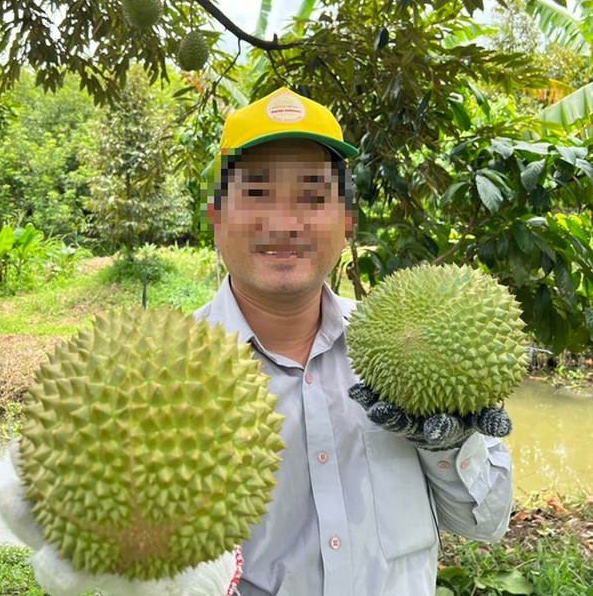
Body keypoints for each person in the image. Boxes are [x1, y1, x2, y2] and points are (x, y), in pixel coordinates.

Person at [198, 86, 514, 596]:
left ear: (346, 222)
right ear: (215, 218)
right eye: (256, 193)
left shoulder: (405, 344)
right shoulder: (164, 372)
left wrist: (450, 441)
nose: (284, 222)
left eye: (312, 196)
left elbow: (486, 525)